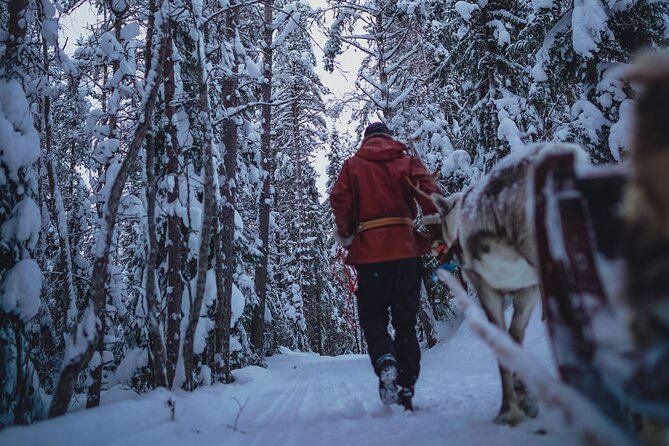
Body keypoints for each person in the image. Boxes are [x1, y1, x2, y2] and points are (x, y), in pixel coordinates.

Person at [329, 122, 441, 410]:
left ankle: (384, 359)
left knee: (373, 317)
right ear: (389, 138)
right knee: (405, 321)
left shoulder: (353, 166)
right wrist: (436, 230)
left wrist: (347, 231)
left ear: (366, 140)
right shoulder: (406, 161)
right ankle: (405, 388)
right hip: (404, 250)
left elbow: (339, 198)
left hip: (370, 255)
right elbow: (430, 193)